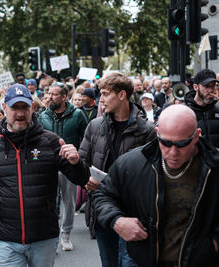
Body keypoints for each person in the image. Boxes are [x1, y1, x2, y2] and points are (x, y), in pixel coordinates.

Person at [0, 84, 88, 266]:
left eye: (24, 107)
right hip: (6, 239)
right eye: (14, 108)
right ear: (4, 108)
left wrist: (76, 162)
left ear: (32, 108)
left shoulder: (50, 141)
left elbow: (82, 179)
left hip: (43, 238)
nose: (20, 113)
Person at [94, 104, 219, 267]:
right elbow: (103, 195)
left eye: (182, 144)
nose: (173, 152)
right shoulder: (132, 164)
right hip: (143, 260)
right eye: (166, 143)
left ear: (196, 136)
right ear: (157, 133)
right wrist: (117, 220)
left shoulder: (214, 166)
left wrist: (214, 244)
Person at [79, 72, 155, 267]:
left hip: (134, 212)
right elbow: (83, 160)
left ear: (122, 95)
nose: (101, 99)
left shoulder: (146, 130)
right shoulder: (95, 126)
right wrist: (85, 177)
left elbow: (153, 173)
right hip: (103, 209)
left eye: (105, 94)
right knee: (109, 263)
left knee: (131, 263)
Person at [39, 82, 87, 251]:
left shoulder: (78, 114)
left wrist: (79, 158)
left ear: (64, 97)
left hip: (69, 164)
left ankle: (65, 234)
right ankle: (51, 236)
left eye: (54, 94)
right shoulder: (42, 116)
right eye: (48, 94)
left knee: (69, 200)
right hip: (48, 165)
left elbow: (86, 139)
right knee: (47, 201)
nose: (49, 97)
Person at [185, 69, 219, 147]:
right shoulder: (184, 111)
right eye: (207, 86)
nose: (211, 90)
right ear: (195, 87)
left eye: (213, 85)